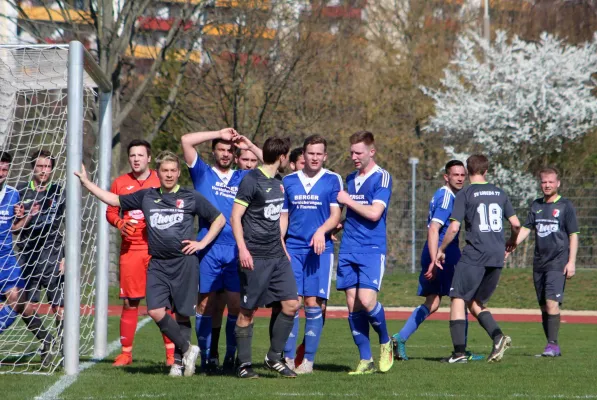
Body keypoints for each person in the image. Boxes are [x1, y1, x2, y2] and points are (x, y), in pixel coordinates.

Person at [75, 151, 226, 377]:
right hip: (157, 263)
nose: (169, 175)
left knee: (182, 313)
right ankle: (187, 349)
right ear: (159, 172)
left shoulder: (190, 196)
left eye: (173, 171)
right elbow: (115, 200)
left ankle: (178, 362)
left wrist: (201, 243)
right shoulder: (147, 196)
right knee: (155, 310)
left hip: (184, 262)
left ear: (178, 172)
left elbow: (219, 219)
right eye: (165, 170)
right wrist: (87, 184)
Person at [181, 128, 262, 373]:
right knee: (207, 304)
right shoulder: (203, 173)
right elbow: (186, 140)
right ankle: (209, 356)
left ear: (235, 154)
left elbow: (270, 163)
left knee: (236, 303)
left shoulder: (243, 177)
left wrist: (246, 142)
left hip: (237, 247)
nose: (226, 154)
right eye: (222, 149)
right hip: (208, 246)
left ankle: (230, 355)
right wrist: (218, 132)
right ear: (214, 150)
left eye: (230, 150)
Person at [391, 160, 482, 361]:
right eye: (455, 175)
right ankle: (461, 350)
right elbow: (434, 228)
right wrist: (435, 258)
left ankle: (399, 338)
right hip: (443, 256)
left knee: (432, 302)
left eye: (462, 175)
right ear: (446, 177)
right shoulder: (446, 198)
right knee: (461, 298)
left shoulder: (446, 195)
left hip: (438, 254)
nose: (459, 178)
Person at [435, 154, 520, 364]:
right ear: (486, 171)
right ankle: (498, 337)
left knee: (457, 297)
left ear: (468, 171)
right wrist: (512, 241)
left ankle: (459, 353)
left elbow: (454, 227)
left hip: (475, 254)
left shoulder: (465, 193)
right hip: (496, 255)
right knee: (475, 301)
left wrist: (441, 248)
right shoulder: (500, 193)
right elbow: (516, 224)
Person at [231, 136, 300, 379]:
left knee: (292, 304)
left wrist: (283, 246)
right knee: (247, 311)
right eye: (287, 156)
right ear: (282, 158)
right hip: (255, 255)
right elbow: (235, 217)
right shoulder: (251, 181)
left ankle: (273, 357)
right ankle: (244, 365)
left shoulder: (277, 181)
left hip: (277, 255)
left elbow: (268, 159)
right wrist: (242, 249)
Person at [106, 140, 175, 367]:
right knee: (130, 302)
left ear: (148, 158)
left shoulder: (161, 179)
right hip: (131, 250)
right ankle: (126, 353)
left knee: (164, 305)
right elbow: (111, 211)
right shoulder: (120, 183)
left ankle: (171, 354)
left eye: (140, 155)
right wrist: (118, 222)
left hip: (157, 251)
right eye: (132, 155)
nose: (136, 159)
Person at [280, 134, 342, 374]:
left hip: (320, 249)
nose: (315, 157)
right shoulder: (289, 181)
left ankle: (307, 361)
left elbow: (335, 215)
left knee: (312, 302)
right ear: (303, 156)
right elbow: (284, 216)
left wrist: (321, 232)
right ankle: (286, 358)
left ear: (324, 156)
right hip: (293, 249)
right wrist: (280, 241)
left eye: (319, 154)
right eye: (311, 153)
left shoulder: (333, 179)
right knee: (292, 303)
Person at [335, 131, 394, 375]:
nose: (354, 157)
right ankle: (365, 360)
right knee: (353, 305)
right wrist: (335, 224)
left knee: (368, 301)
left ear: (372, 152)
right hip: (348, 246)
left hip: (371, 248)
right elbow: (344, 210)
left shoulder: (382, 177)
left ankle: (385, 341)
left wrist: (347, 201)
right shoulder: (349, 178)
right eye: (351, 152)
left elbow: (373, 214)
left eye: (358, 152)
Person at [510, 167, 578, 357]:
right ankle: (552, 347)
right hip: (539, 262)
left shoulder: (565, 206)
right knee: (543, 306)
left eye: (550, 182)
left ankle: (553, 344)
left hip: (558, 262)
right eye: (544, 182)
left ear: (558, 183)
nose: (547, 185)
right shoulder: (536, 205)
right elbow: (526, 229)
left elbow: (573, 235)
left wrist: (571, 262)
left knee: (551, 302)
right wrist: (510, 245)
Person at [0, 151, 56, 367]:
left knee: (17, 300)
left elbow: (13, 228)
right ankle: (46, 338)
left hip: (5, 258)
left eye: (5, 169)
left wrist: (27, 216)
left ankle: (46, 339)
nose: (2, 173)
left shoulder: (13, 194)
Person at [16, 150, 65, 342]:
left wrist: (66, 256)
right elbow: (13, 227)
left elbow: (70, 225)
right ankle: (47, 340)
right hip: (28, 254)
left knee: (59, 306)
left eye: (48, 167)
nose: (44, 171)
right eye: (40, 166)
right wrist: (24, 216)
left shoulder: (59, 191)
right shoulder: (19, 191)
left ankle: (63, 347)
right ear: (32, 167)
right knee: (25, 304)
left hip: (53, 253)